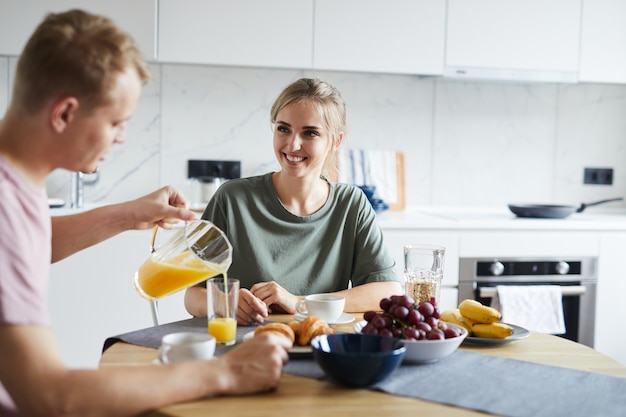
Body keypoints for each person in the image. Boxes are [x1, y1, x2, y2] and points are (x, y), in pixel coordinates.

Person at [0, 9, 290, 416]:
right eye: (117, 122)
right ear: (65, 114)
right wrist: (226, 372)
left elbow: (27, 243)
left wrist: (128, 216)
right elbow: (51, 396)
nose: (122, 137)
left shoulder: (14, 181)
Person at [184, 78, 403, 325]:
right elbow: (192, 294)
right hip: (244, 348)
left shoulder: (351, 204)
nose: (292, 144)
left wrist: (300, 303)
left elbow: (388, 291)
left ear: (335, 141)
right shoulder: (231, 198)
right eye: (283, 128)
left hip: (320, 347)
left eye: (310, 133)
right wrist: (227, 303)